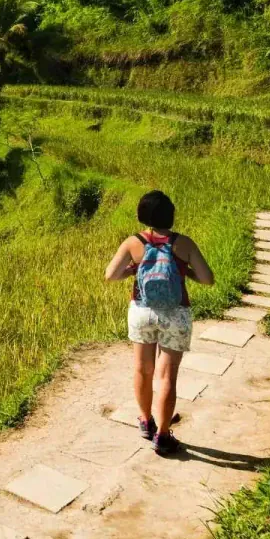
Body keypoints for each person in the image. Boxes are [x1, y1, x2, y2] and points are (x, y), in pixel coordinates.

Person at [104, 190, 214, 456]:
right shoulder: (184, 243)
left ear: (143, 215)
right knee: (167, 376)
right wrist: (184, 270)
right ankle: (163, 436)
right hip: (176, 314)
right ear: (171, 214)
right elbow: (208, 278)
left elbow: (110, 275)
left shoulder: (134, 242)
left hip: (142, 311)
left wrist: (133, 269)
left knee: (143, 370)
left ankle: (146, 421)